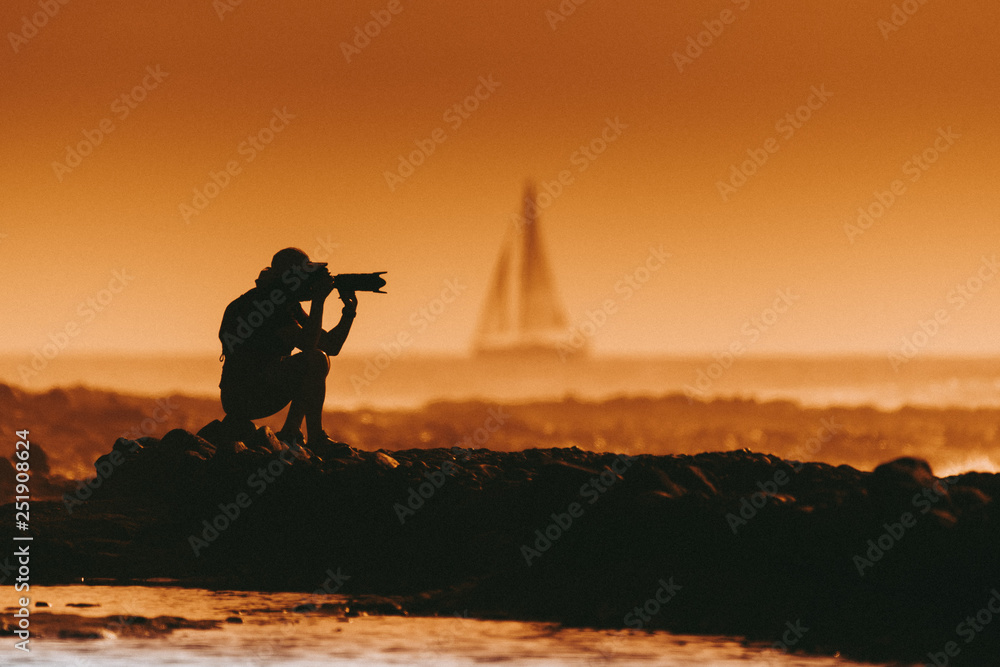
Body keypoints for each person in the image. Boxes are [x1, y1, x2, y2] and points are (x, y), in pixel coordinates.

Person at [217, 247, 357, 456]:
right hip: (245, 396)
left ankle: (291, 431)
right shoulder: (266, 304)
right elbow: (311, 346)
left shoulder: (283, 301)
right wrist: (319, 300)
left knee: (315, 361)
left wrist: (348, 312)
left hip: (249, 391)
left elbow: (330, 346)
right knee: (315, 360)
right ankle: (315, 437)